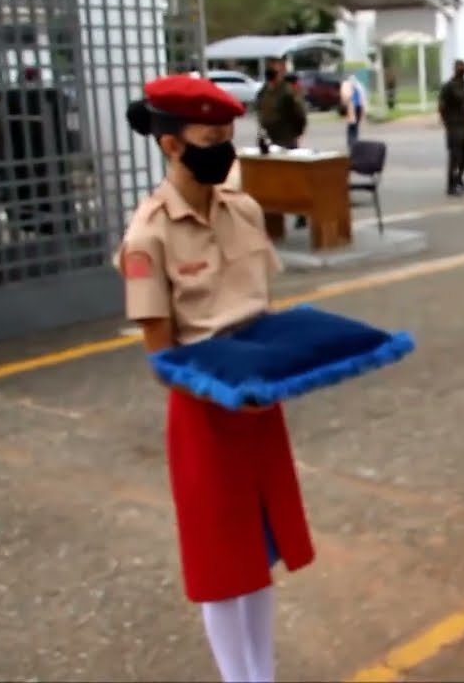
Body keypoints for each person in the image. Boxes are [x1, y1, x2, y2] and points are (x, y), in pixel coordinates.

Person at [117, 74, 315, 683]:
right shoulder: (147, 235)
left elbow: (262, 309)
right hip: (205, 411)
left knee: (259, 553)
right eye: (210, 138)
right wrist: (225, 393)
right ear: (171, 144)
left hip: (261, 401)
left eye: (228, 135)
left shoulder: (244, 210)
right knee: (220, 564)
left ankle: (263, 675)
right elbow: (163, 359)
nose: (224, 148)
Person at [257, 63, 309, 230]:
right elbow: (260, 112)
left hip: (286, 137)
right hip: (269, 138)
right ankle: (273, 215)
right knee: (271, 179)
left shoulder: (286, 91)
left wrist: (297, 132)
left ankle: (301, 212)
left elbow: (299, 113)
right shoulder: (264, 91)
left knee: (292, 178)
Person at [438, 59, 464, 196]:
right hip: (453, 126)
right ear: (455, 69)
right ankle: (450, 186)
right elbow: (441, 106)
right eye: (460, 68)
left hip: (463, 124)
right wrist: (446, 123)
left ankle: (458, 179)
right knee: (454, 157)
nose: (462, 71)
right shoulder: (448, 86)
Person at [339, 73, 366, 149]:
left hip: (357, 108)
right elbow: (346, 98)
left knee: (355, 125)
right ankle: (351, 142)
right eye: (351, 80)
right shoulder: (347, 87)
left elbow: (362, 98)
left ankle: (354, 141)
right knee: (351, 126)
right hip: (351, 108)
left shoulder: (359, 87)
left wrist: (363, 109)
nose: (353, 82)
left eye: (354, 80)